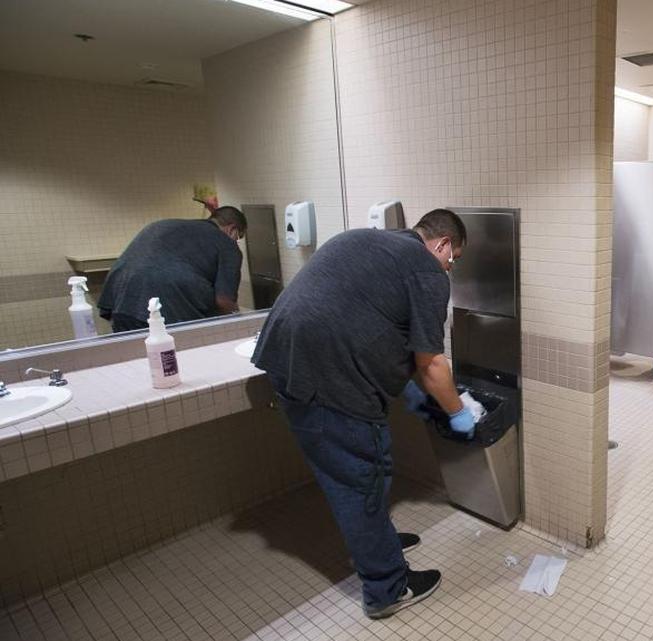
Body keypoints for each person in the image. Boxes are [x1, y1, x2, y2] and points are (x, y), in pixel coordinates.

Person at [252, 209, 474, 620]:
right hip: (332, 381)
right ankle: (388, 587)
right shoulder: (426, 270)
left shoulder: (365, 242)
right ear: (441, 244)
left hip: (284, 361)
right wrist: (458, 412)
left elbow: (377, 326)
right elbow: (432, 365)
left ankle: (378, 544)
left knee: (348, 475)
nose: (449, 266)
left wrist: (411, 392)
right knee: (362, 477)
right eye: (452, 257)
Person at [98, 207, 246, 332]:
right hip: (170, 307)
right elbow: (224, 302)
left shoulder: (165, 225)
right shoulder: (227, 244)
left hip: (120, 300)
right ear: (232, 230)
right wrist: (241, 325)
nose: (236, 241)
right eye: (239, 237)